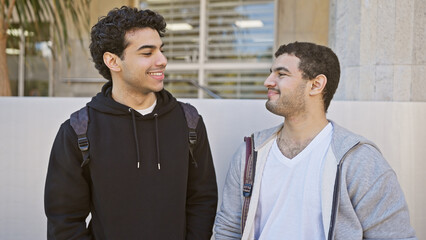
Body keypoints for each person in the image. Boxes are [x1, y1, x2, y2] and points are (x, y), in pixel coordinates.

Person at [44, 6, 218, 239]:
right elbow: (64, 221)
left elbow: (202, 200)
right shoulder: (78, 131)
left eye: (161, 50)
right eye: (147, 53)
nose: (162, 60)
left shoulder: (190, 123)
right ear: (113, 61)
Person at [214, 42, 417, 240]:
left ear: (316, 84)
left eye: (281, 74)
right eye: (271, 72)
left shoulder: (359, 160)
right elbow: (228, 230)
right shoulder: (251, 153)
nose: (268, 81)